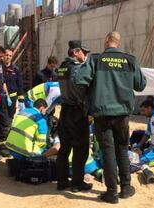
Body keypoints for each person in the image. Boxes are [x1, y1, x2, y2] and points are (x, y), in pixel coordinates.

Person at [75, 31, 147, 204]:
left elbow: (79, 79)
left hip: (102, 114)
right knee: (122, 149)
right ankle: (126, 187)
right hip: (122, 114)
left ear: (107, 41)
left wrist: (88, 96)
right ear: (119, 43)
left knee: (107, 151)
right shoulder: (130, 60)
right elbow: (141, 85)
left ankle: (111, 192)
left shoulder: (95, 59)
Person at [56, 40, 92, 193]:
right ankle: (77, 183)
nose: (86, 56)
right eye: (84, 52)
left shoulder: (62, 67)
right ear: (77, 52)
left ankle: (62, 182)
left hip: (64, 112)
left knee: (64, 149)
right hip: (77, 112)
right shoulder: (78, 69)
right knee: (81, 149)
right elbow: (79, 90)